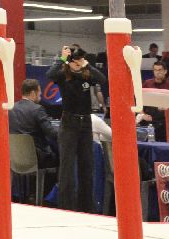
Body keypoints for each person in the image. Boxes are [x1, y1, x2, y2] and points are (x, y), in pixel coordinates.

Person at [48, 45, 107, 213]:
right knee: (67, 168)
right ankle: (66, 207)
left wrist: (86, 64)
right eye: (73, 60)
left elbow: (102, 79)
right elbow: (50, 75)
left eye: (78, 59)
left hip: (85, 122)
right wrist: (63, 59)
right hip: (69, 122)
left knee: (87, 166)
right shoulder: (63, 75)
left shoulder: (86, 75)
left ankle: (86, 207)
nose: (76, 62)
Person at [8, 79, 59, 171]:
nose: (41, 94)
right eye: (39, 91)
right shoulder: (37, 109)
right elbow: (51, 133)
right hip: (37, 157)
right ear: (33, 93)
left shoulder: (11, 108)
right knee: (61, 156)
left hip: (15, 157)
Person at [136, 59, 169, 141]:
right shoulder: (147, 83)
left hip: (165, 122)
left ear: (165, 71)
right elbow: (138, 101)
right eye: (155, 70)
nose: (157, 72)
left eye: (160, 70)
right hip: (148, 120)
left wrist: (167, 108)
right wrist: (142, 114)